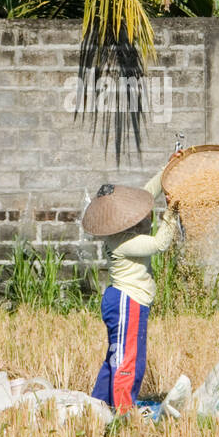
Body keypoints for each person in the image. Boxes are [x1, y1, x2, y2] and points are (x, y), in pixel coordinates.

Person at [82, 154, 184, 414]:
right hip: (127, 301)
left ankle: (100, 405)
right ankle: (124, 413)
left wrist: (169, 169)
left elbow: (147, 194)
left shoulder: (122, 224)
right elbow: (160, 244)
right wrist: (172, 212)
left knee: (115, 358)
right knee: (128, 361)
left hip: (124, 300)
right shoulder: (122, 241)